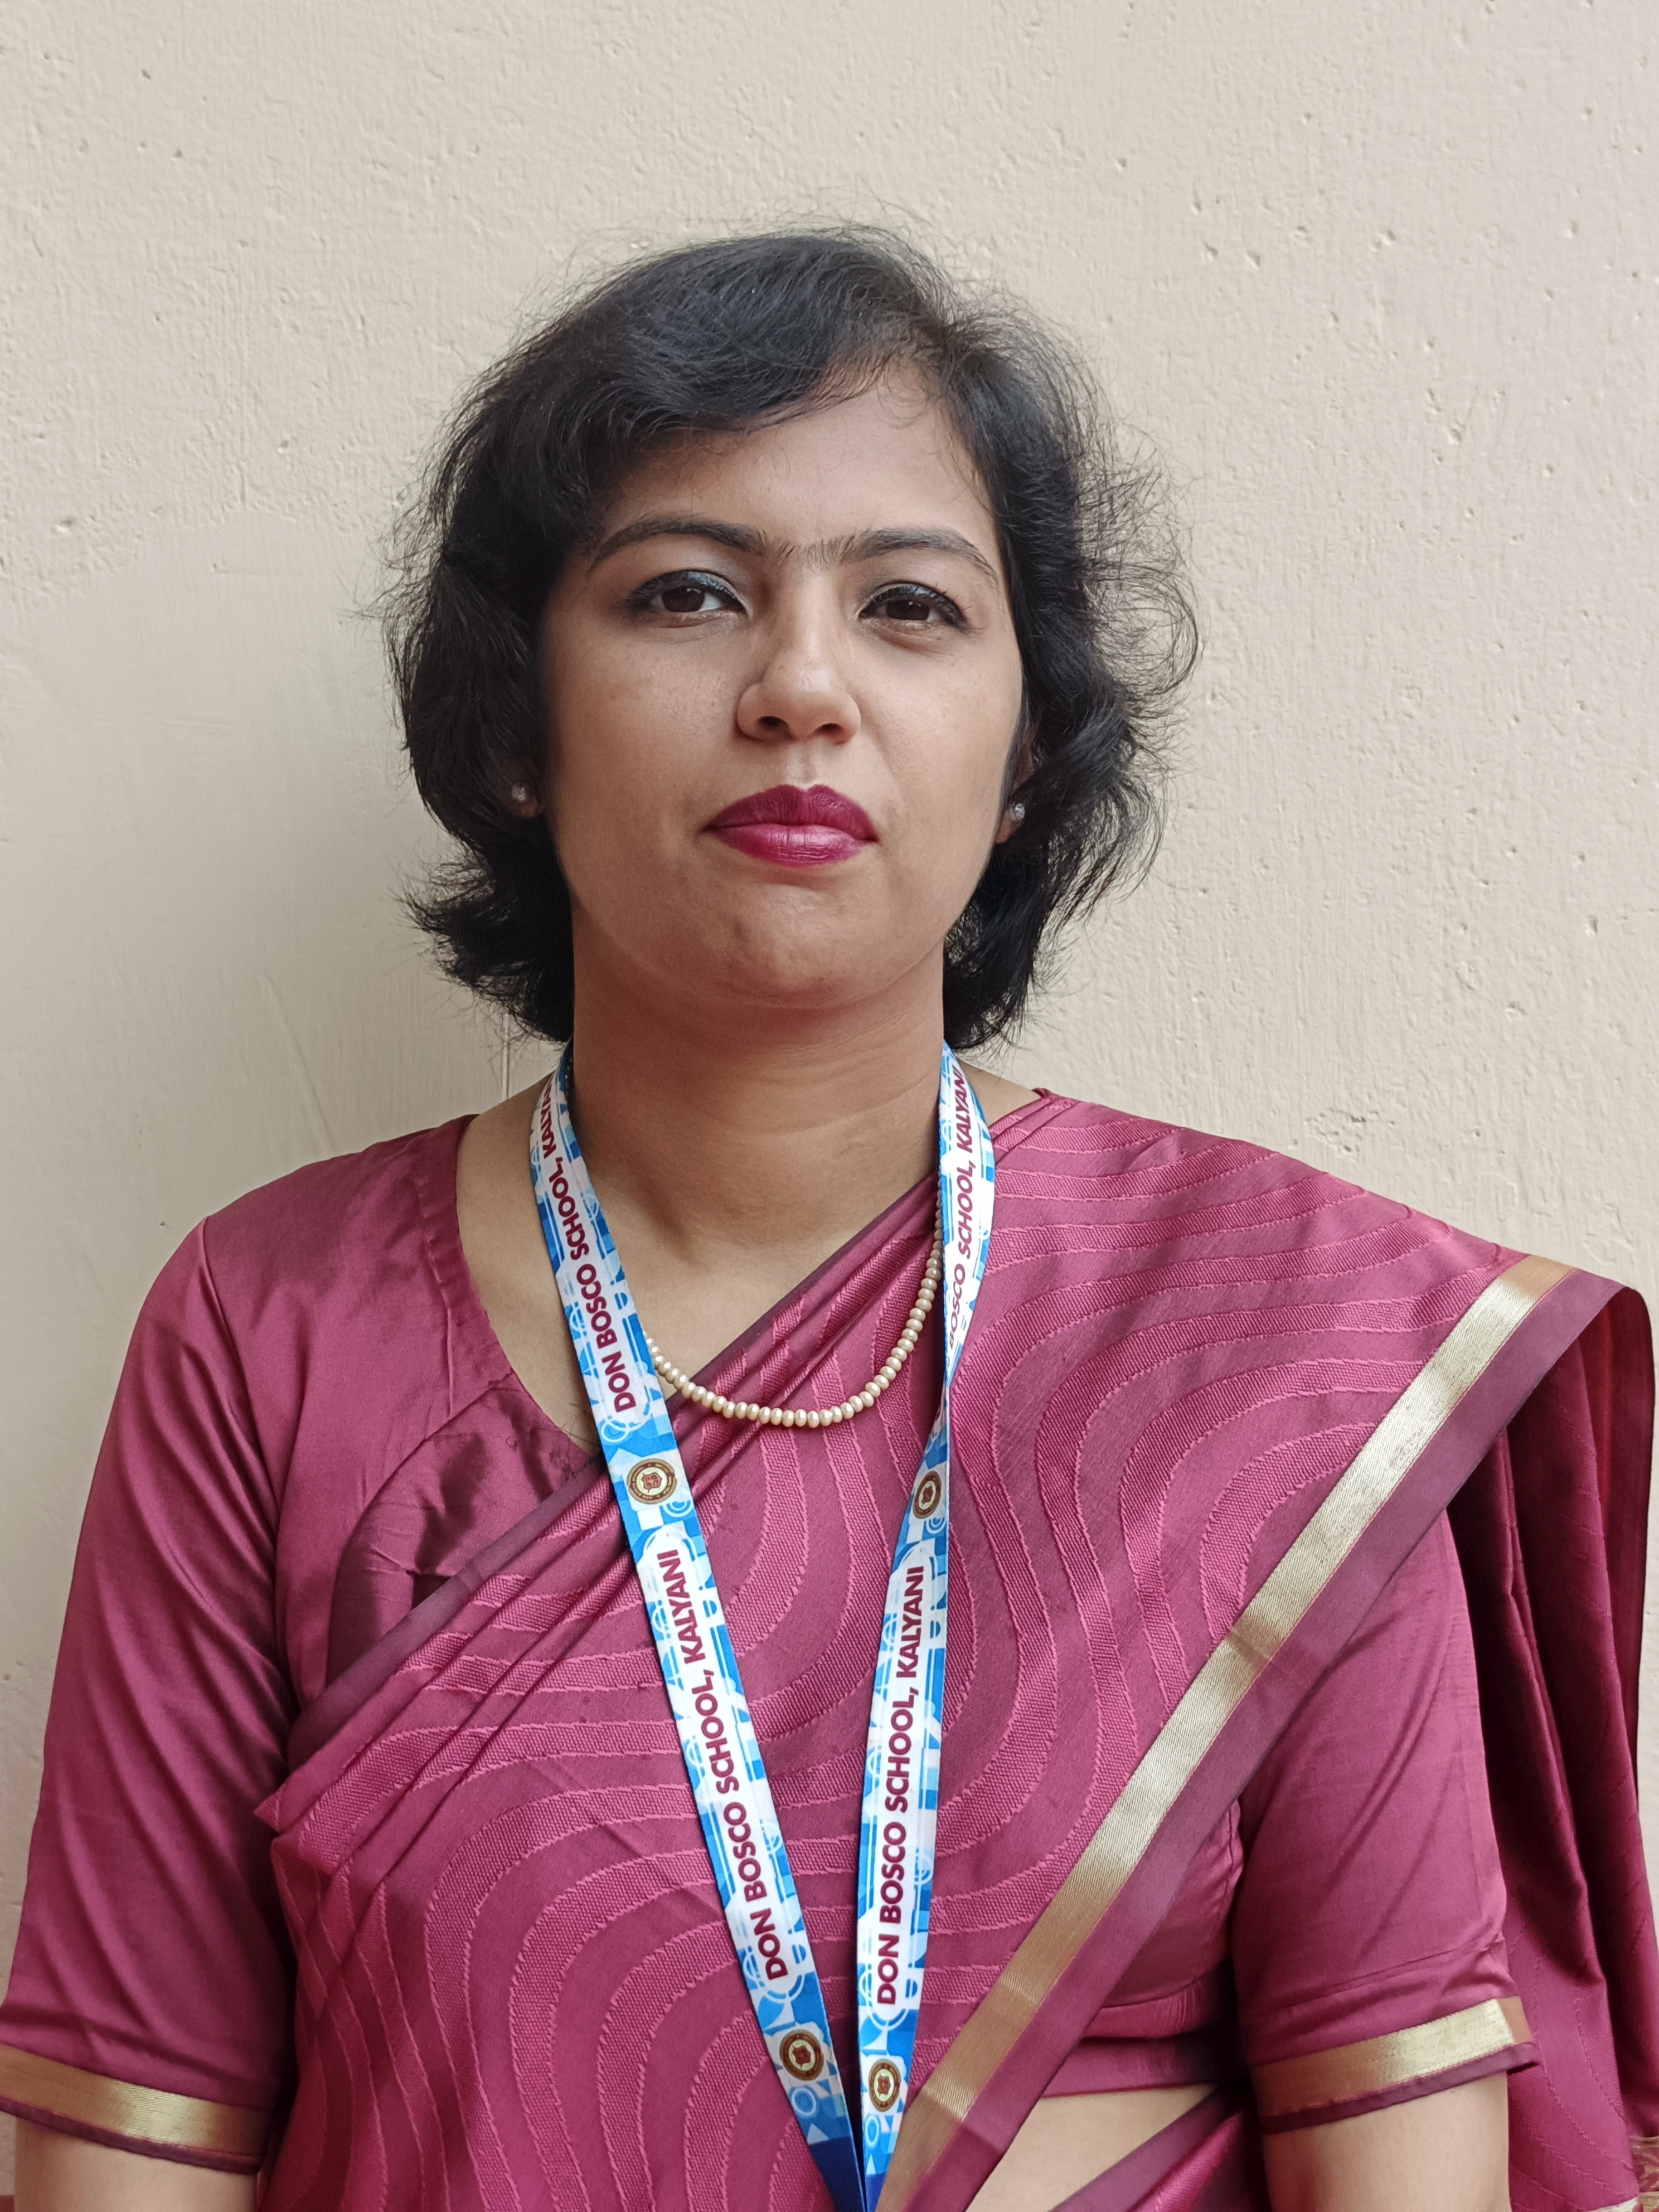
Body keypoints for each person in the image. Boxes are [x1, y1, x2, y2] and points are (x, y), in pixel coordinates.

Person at [1, 230, 1654, 2212]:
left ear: (1027, 754)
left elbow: (1401, 2160)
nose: (801, 686)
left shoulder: (1284, 1342)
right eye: (687, 593)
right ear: (517, 727)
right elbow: (130, 2148)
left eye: (911, 607)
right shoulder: (272, 1329)